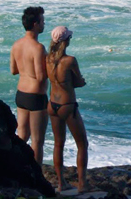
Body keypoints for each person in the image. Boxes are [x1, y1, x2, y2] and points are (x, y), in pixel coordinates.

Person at [47, 26, 89, 194]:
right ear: (66, 41)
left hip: (52, 105)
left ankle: (61, 183)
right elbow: (78, 82)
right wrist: (81, 82)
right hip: (67, 105)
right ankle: (82, 184)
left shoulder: (47, 59)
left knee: (58, 144)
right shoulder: (70, 60)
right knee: (82, 144)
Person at [9, 6, 48, 165]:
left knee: (21, 137)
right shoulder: (38, 48)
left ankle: (15, 166)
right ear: (35, 24)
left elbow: (13, 70)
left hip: (21, 95)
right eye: (42, 21)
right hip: (36, 97)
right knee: (37, 141)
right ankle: (37, 176)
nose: (44, 24)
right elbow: (40, 78)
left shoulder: (16, 44)